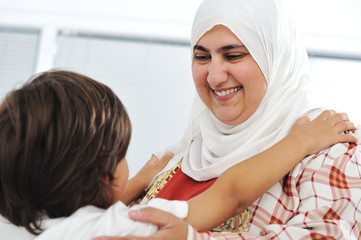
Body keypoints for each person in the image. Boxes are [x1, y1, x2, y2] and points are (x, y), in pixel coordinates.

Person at [94, 0, 361, 239]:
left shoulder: (332, 150)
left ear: (275, 57)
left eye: (233, 56)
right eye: (201, 57)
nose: (214, 76)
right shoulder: (173, 158)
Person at [0, 71, 355, 240]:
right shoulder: (128, 225)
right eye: (122, 154)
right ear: (104, 172)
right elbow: (229, 194)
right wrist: (302, 141)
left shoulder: (29, 231)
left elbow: (81, 213)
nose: (215, 74)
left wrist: (136, 180)